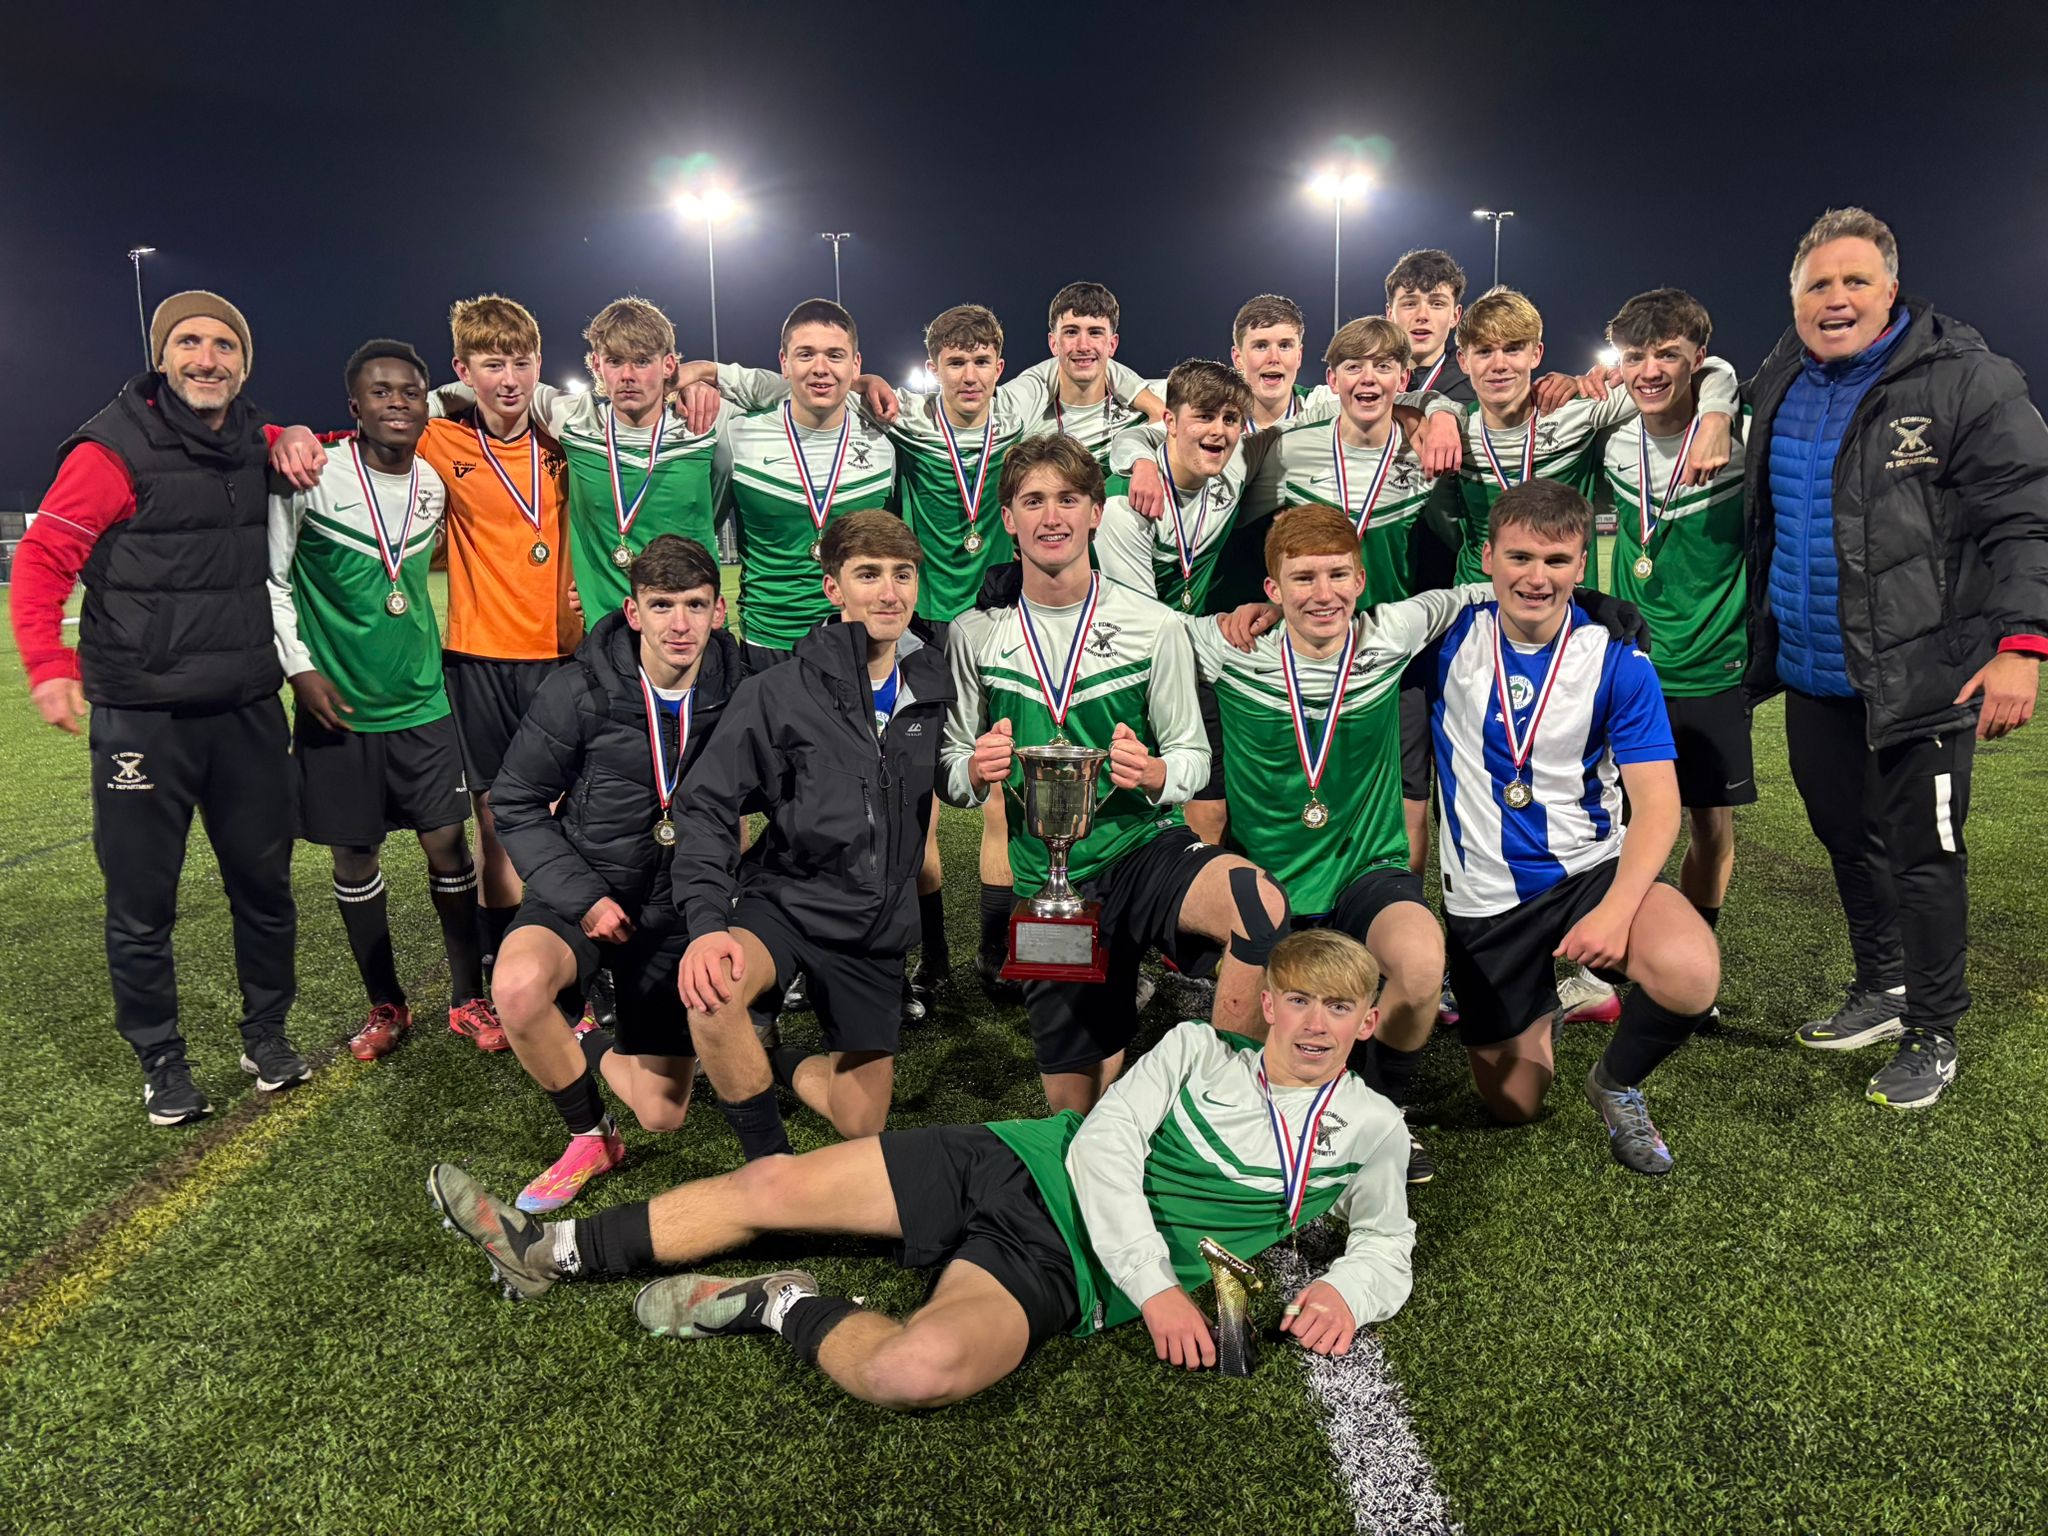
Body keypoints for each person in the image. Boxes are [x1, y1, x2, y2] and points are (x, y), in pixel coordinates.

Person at [426, 928, 1413, 1409]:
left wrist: (1345, 1290)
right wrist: (1157, 1287)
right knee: (773, 1186)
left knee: (912, 1371)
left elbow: (1386, 1245)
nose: (1316, 1026)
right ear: (1268, 1006)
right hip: (1015, 1163)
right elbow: (1106, 1148)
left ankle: (776, 1302)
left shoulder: (1371, 1131)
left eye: (1339, 1011)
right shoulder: (1199, 1050)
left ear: (1368, 1021)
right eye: (1298, 1003)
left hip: (1063, 1271)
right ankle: (547, 1248)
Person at [1742, 207, 2048, 1108]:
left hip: (1927, 674)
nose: (1835, 300)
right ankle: (1882, 987)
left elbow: (2026, 517)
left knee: (1925, 856)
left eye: (1854, 282)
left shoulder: (1966, 381)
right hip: (1814, 670)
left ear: (1891, 290)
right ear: (1794, 298)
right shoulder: (1780, 374)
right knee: (1844, 839)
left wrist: (2023, 648)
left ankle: (1934, 1030)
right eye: (1817, 286)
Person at [11, 291, 318, 1124]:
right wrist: (46, 662)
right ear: (162, 355)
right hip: (141, 717)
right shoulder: (110, 450)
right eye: (188, 341)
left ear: (244, 363)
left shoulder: (256, 442)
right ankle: (161, 1059)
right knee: (143, 905)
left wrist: (294, 434)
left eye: (224, 345)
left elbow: (318, 447)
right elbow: (42, 561)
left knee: (266, 887)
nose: (206, 358)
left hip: (247, 709)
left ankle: (268, 1035)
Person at [941, 433, 1290, 1115]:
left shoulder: (1154, 625)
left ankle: (1223, 1105)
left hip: (1140, 851)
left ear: (1096, 512)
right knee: (1079, 1115)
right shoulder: (974, 634)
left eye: (1069, 499)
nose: (1052, 516)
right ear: (1007, 518)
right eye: (1033, 500)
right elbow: (953, 771)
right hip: (1049, 884)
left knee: (1257, 904)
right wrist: (976, 769)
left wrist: (1156, 770)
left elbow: (1193, 758)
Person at [1428, 480, 1720, 1174]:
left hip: (1590, 873)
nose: (1537, 577)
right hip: (1485, 901)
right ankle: (1543, 1007)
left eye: (1557, 561)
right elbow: (1334, 618)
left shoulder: (1619, 658)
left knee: (1689, 971)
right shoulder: (1441, 639)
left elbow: (1657, 805)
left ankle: (1616, 1082)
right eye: (1520, 557)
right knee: (1515, 1105)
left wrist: (1617, 911)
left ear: (1582, 565)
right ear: (1488, 558)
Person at [672, 510, 955, 1159]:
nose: (889, 592)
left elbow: (953, 777)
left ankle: (777, 1059)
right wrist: (708, 921)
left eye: (902, 574)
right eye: (868, 574)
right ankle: (768, 1165)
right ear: (833, 588)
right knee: (715, 996)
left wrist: (981, 766)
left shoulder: (934, 683)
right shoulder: (779, 691)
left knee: (862, 1124)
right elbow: (707, 803)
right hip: (789, 904)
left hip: (875, 926)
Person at [486, 534, 745, 1213]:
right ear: (633, 612)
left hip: (676, 911)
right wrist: (584, 897)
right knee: (516, 986)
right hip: (585, 886)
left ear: (720, 610)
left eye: (695, 604)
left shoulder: (743, 687)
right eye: (662, 605)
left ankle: (582, 1030)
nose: (679, 624)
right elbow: (514, 801)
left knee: (662, 1113)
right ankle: (589, 1136)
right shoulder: (578, 690)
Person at [268, 339, 497, 1060]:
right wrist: (299, 669)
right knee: (355, 857)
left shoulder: (432, 483)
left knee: (446, 843)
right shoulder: (312, 479)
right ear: (354, 409)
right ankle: (385, 1005)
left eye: (408, 392)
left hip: (423, 701)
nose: (396, 403)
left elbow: (471, 400)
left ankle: (467, 998)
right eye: (380, 392)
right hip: (339, 708)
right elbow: (271, 582)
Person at [420, 294, 582, 973]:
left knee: (574, 814)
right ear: (465, 370)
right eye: (492, 365)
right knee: (495, 819)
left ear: (540, 364)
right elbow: (387, 413)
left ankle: (577, 951)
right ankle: (503, 954)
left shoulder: (565, 437)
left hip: (563, 654)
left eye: (521, 363)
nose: (509, 380)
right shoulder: (440, 437)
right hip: (478, 656)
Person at [1594, 290, 1752, 940]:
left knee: (1711, 826)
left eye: (1669, 355)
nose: (1651, 371)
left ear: (1699, 360)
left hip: (1715, 664)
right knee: (1619, 821)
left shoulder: (1741, 442)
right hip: (1635, 666)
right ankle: (1622, 948)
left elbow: (1730, 380)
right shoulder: (1607, 437)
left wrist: (1719, 407)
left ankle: (1696, 950)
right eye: (1636, 356)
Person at [1092, 358, 1251, 847]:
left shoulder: (1234, 468)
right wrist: (1222, 628)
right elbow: (1144, 628)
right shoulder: (1124, 507)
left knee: (1212, 813)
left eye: (1230, 420)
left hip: (1195, 658)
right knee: (1121, 826)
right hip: (1128, 669)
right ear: (1169, 422)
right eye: (1204, 416)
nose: (1219, 432)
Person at [1383, 249, 1476, 404]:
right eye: (1410, 304)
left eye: (1437, 304)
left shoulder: (1477, 386)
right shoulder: (1368, 381)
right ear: (1390, 314)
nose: (1422, 316)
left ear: (1455, 316)